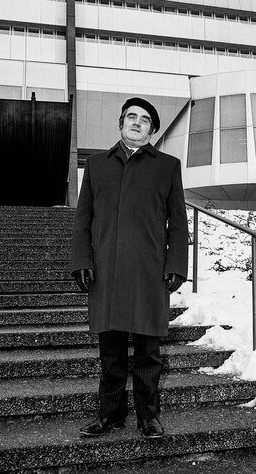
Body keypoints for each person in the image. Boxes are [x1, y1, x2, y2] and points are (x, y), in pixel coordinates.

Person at [70, 97, 188, 439]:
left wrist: (176, 264)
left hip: (149, 272)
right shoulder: (96, 165)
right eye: (131, 117)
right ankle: (110, 415)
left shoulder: (167, 166)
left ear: (152, 129)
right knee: (111, 353)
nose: (137, 122)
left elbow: (178, 222)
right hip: (105, 272)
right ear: (121, 123)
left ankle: (148, 417)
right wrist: (81, 261)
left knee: (148, 354)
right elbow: (83, 219)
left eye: (145, 119)